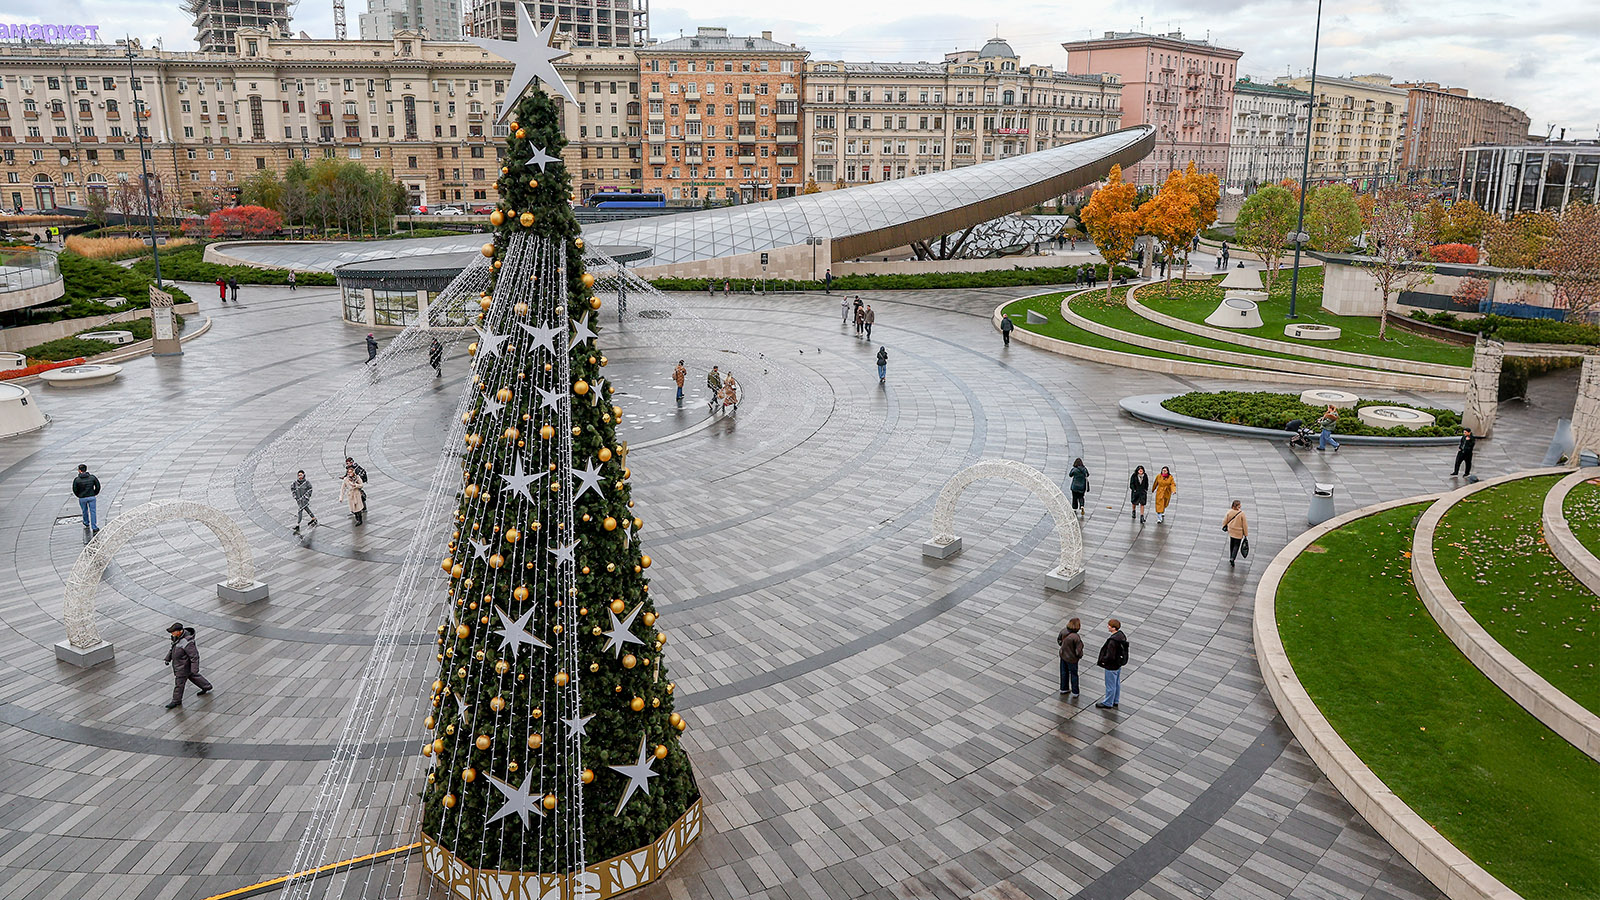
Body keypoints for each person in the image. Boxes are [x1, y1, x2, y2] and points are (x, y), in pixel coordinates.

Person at [163, 623, 213, 709]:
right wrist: (167, 659)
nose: (172, 634)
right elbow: (172, 649)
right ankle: (207, 686)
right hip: (181, 666)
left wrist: (195, 669)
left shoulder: (187, 642)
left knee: (179, 684)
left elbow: (194, 656)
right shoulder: (176, 638)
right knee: (194, 677)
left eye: (173, 632)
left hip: (182, 667)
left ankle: (176, 701)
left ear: (179, 631)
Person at [1094, 619, 1129, 709]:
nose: (1108, 626)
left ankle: (1108, 702)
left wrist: (1103, 660)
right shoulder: (1121, 636)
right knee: (1116, 683)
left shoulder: (1113, 641)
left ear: (1113, 628)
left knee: (1110, 685)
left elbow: (1110, 655)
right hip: (1118, 664)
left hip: (1111, 665)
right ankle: (1115, 700)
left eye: (1109, 625)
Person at [1057, 617, 1084, 697]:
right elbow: (1078, 651)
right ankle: (1075, 691)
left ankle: (1063, 688)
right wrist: (1079, 656)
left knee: (1063, 672)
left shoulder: (1063, 631)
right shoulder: (1076, 637)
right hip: (1072, 659)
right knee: (1074, 674)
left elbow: (1059, 641)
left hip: (1063, 655)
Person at [72, 464, 101, 533]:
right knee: (93, 511)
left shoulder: (77, 480)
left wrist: (79, 495)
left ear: (79, 470)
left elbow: (74, 489)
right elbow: (98, 486)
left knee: (84, 510)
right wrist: (94, 493)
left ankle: (86, 522)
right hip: (91, 496)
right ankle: (94, 526)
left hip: (82, 498)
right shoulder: (92, 478)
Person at [1223, 500, 1249, 567]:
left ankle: (1231, 556)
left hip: (1231, 531)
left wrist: (1224, 526)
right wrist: (1246, 534)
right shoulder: (1241, 514)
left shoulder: (1229, 512)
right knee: (1236, 545)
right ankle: (1233, 558)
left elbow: (1225, 520)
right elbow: (1244, 525)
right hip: (1238, 532)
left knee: (1232, 544)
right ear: (1237, 506)